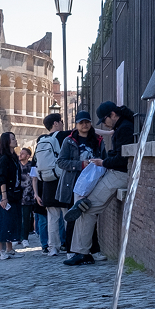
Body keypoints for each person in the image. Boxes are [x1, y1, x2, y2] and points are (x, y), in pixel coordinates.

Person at [57, 110, 104, 265]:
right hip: (74, 183)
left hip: (92, 183)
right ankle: (71, 250)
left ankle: (93, 250)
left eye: (87, 122)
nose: (85, 125)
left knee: (91, 215)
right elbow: (61, 162)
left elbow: (104, 158)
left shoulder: (97, 140)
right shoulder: (69, 141)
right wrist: (81, 165)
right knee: (73, 217)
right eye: (81, 122)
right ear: (76, 125)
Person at [35, 113, 66, 256]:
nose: (63, 124)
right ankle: (70, 245)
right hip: (62, 180)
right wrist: (109, 132)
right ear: (56, 123)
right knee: (67, 216)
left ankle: (53, 247)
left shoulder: (41, 139)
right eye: (61, 121)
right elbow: (88, 131)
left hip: (47, 182)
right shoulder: (63, 136)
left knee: (52, 218)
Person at [0, 132, 24, 259]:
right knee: (2, 221)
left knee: (12, 221)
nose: (15, 140)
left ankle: (10, 249)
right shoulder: (4, 158)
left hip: (14, 193)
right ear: (7, 141)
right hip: (6, 194)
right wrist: (4, 197)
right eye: (12, 139)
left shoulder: (14, 157)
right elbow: (2, 179)